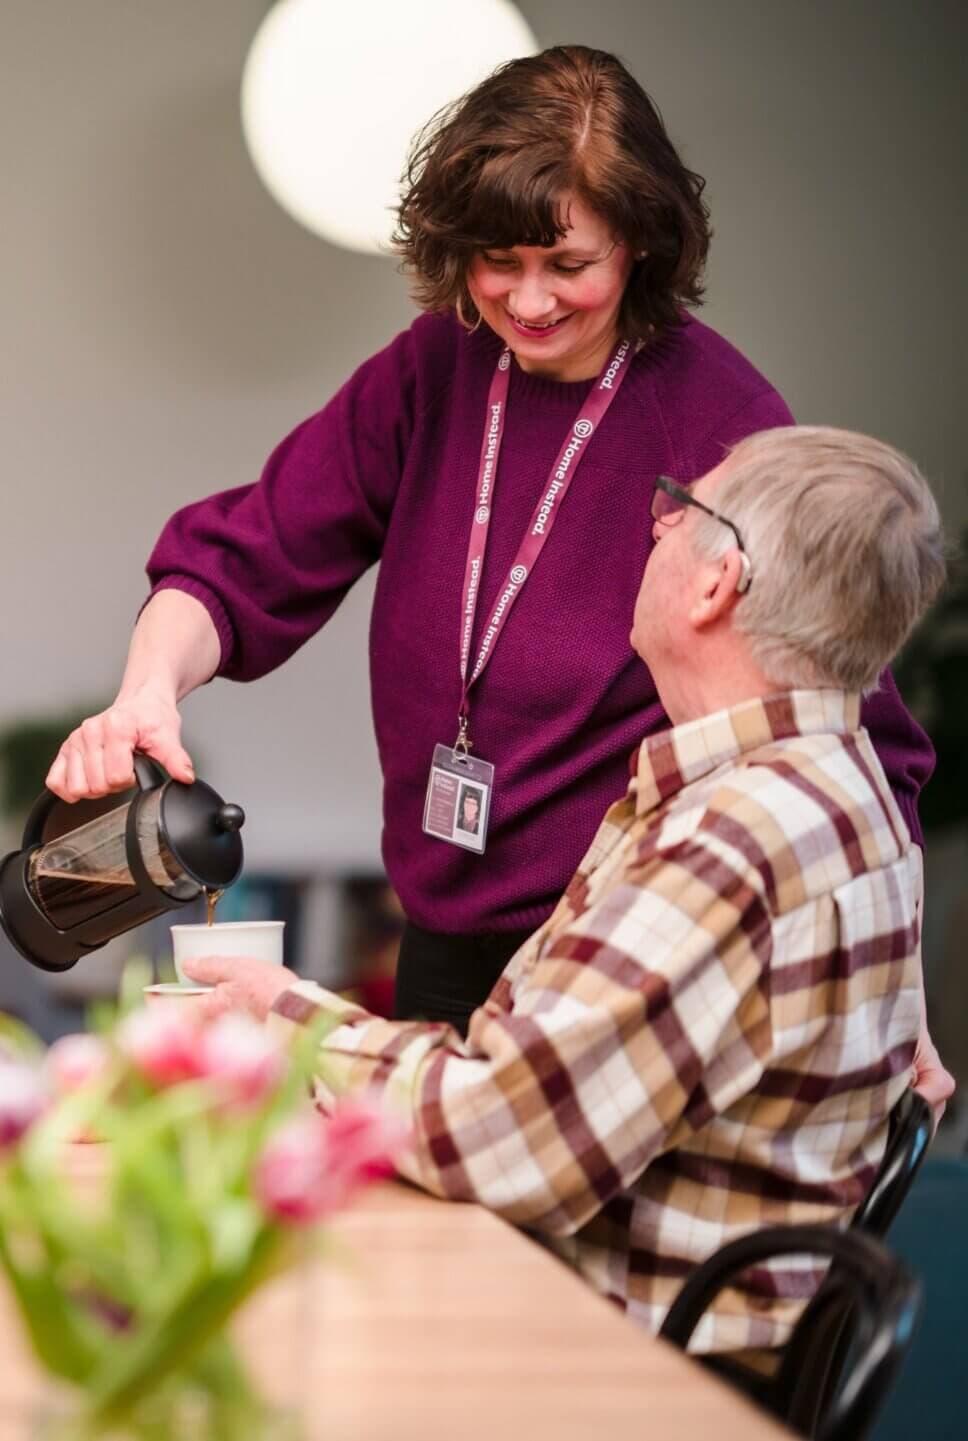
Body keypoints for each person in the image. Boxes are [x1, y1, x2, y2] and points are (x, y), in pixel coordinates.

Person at [46, 46, 938, 1050]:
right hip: (441, 932)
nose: (528, 302)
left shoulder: (720, 421)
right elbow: (243, 555)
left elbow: (859, 735)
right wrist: (148, 690)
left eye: (569, 265)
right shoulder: (440, 365)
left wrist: (894, 1012)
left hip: (623, 955)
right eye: (498, 261)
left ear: (639, 245)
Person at [182, 424, 946, 1354]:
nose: (656, 527)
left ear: (717, 582)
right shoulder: (845, 782)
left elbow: (503, 1137)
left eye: (681, 508)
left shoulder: (737, 838)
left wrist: (287, 1019)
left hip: (611, 1366)